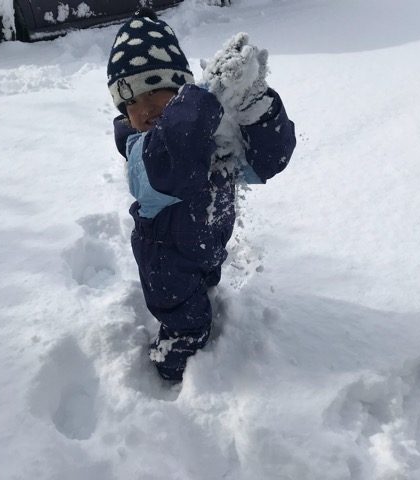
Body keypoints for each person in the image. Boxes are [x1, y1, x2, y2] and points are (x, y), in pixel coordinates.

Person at [108, 8, 296, 381]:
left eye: (153, 92)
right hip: (166, 266)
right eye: (129, 102)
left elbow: (265, 164)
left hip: (208, 245)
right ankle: (172, 364)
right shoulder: (142, 153)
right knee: (186, 322)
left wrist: (255, 108)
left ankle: (202, 305)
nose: (142, 111)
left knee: (205, 287)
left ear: (179, 89)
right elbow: (173, 156)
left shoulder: (207, 134)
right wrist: (207, 95)